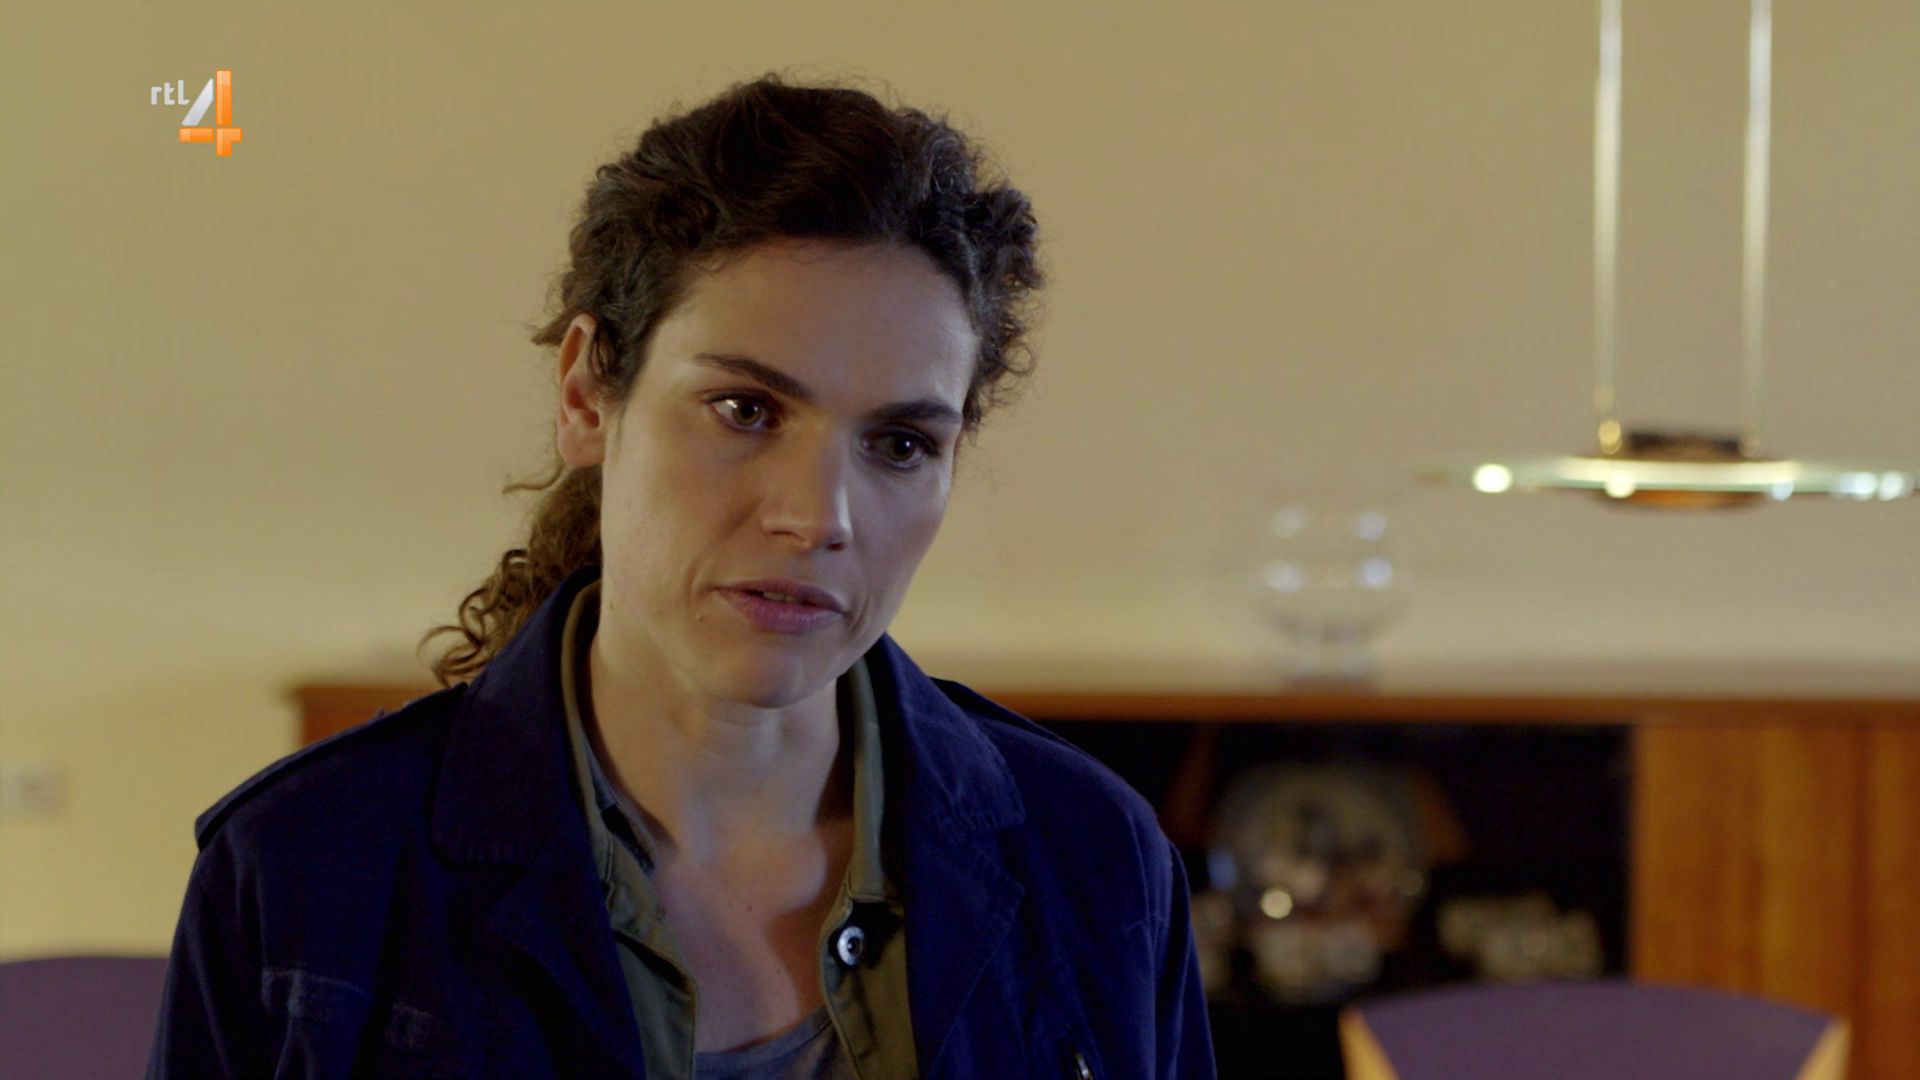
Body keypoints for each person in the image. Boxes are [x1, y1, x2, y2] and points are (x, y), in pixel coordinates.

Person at [147, 73, 1216, 1079]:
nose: (818, 517)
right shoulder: (304, 871)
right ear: (586, 395)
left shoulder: (1097, 862)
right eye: (745, 410)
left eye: (899, 445)